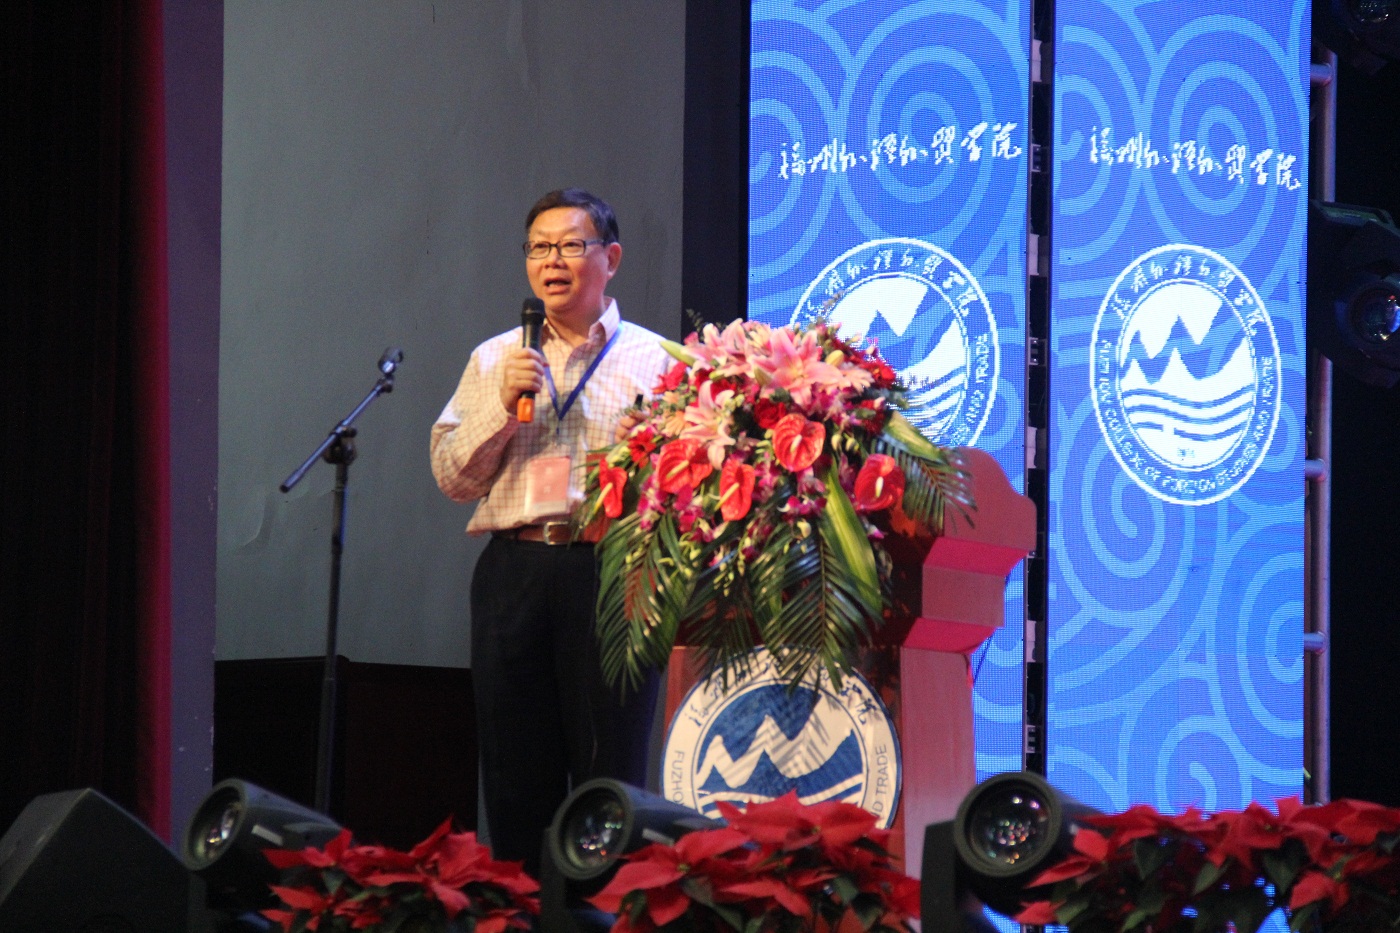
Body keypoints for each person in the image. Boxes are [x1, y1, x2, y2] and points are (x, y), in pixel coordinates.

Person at [430, 188, 672, 875]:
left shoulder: (659, 361)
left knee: (609, 774)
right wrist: (502, 408)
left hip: (613, 572)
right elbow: (452, 477)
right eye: (539, 248)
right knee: (514, 774)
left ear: (610, 258)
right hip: (514, 572)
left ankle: (602, 911)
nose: (552, 261)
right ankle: (523, 909)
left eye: (570, 245)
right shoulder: (494, 359)